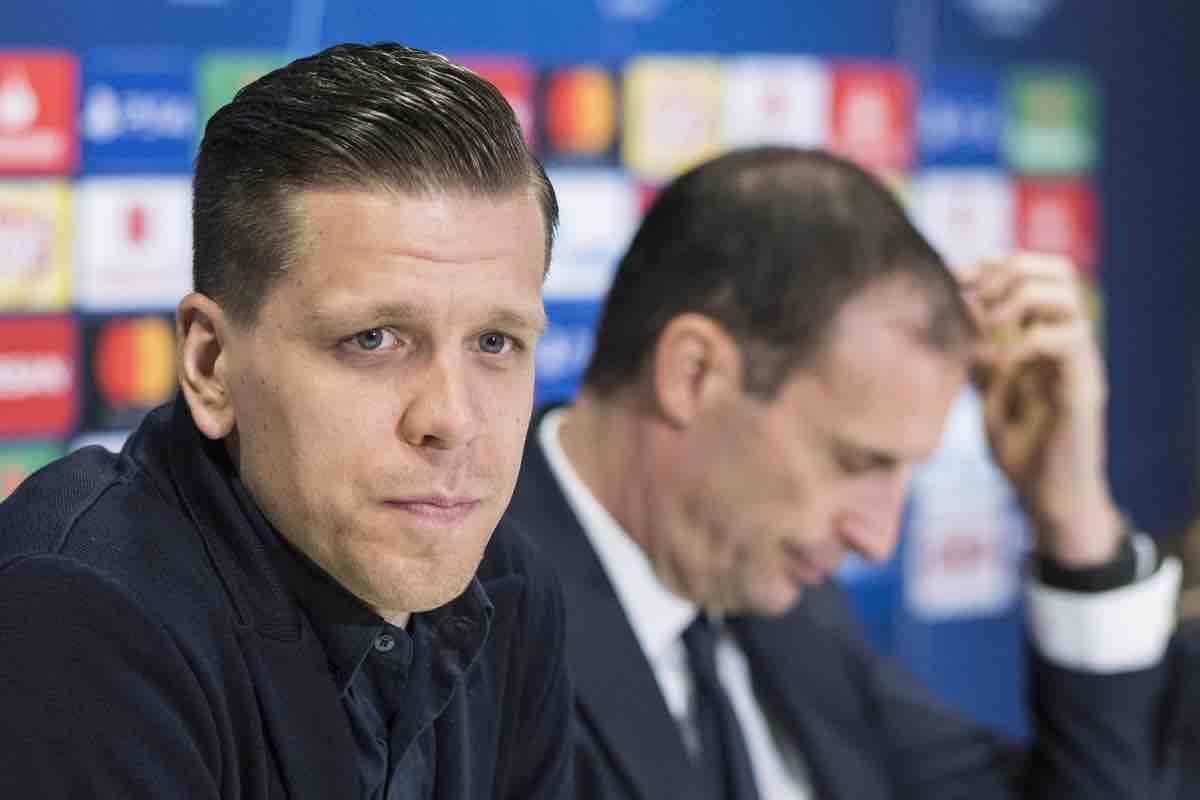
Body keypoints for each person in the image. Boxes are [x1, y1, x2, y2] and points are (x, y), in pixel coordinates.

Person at [505, 147, 1185, 799]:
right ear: (694, 374)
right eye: (856, 462)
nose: (876, 539)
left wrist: (1074, 522)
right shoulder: (475, 629)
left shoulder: (798, 619)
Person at [0, 43, 572, 798]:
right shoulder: (77, 617)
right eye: (373, 339)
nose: (452, 419)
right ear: (211, 365)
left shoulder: (511, 585)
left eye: (495, 343)